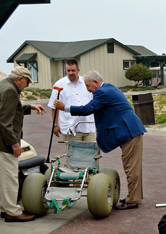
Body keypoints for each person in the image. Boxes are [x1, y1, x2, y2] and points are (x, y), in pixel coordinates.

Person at [54, 70, 146, 210]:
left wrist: (64, 107)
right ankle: (135, 197)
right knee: (132, 166)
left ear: (95, 82)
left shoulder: (101, 92)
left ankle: (133, 200)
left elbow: (88, 109)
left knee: (131, 167)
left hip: (129, 132)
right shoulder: (109, 87)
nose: (88, 90)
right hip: (130, 130)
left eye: (88, 86)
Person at [0, 66, 45, 223]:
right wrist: (14, 144)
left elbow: (7, 109)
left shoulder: (2, 84)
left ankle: (6, 208)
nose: (27, 86)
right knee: (10, 177)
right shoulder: (10, 91)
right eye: (27, 82)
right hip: (3, 142)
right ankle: (13, 211)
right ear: (19, 79)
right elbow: (5, 121)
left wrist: (30, 106)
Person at [47, 59, 96, 142]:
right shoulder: (59, 85)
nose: (70, 73)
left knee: (91, 153)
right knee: (74, 155)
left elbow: (94, 104)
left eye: (73, 70)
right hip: (70, 129)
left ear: (78, 70)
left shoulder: (86, 83)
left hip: (88, 127)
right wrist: (55, 125)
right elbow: (54, 107)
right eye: (68, 70)